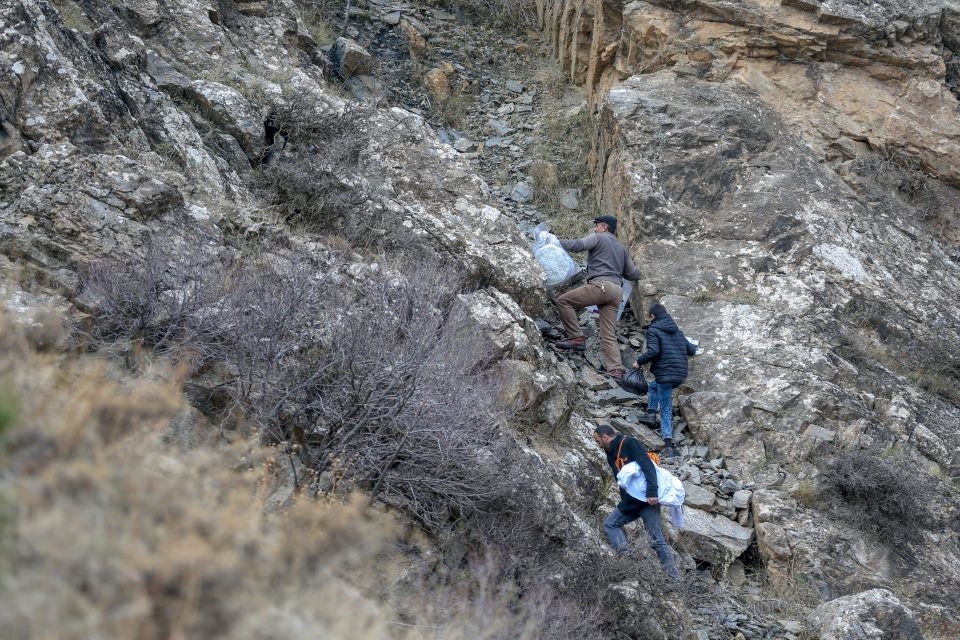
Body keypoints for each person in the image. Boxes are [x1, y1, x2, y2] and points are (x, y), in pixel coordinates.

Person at [554, 216, 641, 379]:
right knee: (608, 333)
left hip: (601, 285)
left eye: (597, 226)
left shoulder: (598, 238)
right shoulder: (622, 249)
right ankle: (615, 370)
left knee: (563, 301)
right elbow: (633, 274)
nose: (595, 229)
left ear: (604, 228)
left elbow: (578, 245)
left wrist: (554, 241)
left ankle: (576, 337)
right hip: (617, 292)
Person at [592, 424, 680, 580]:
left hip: (647, 500)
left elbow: (648, 466)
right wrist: (623, 497)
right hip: (630, 502)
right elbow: (620, 478)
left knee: (656, 540)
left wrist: (652, 492)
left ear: (605, 437)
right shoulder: (609, 453)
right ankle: (627, 558)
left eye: (598, 441)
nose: (598, 445)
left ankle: (674, 580)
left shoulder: (629, 443)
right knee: (610, 524)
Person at [633, 303, 697, 458]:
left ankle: (668, 444)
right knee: (653, 386)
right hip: (680, 374)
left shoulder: (653, 330)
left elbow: (654, 351)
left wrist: (639, 361)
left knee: (666, 408)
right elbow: (692, 351)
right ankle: (650, 412)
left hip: (665, 374)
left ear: (653, 316)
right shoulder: (678, 332)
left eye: (649, 317)